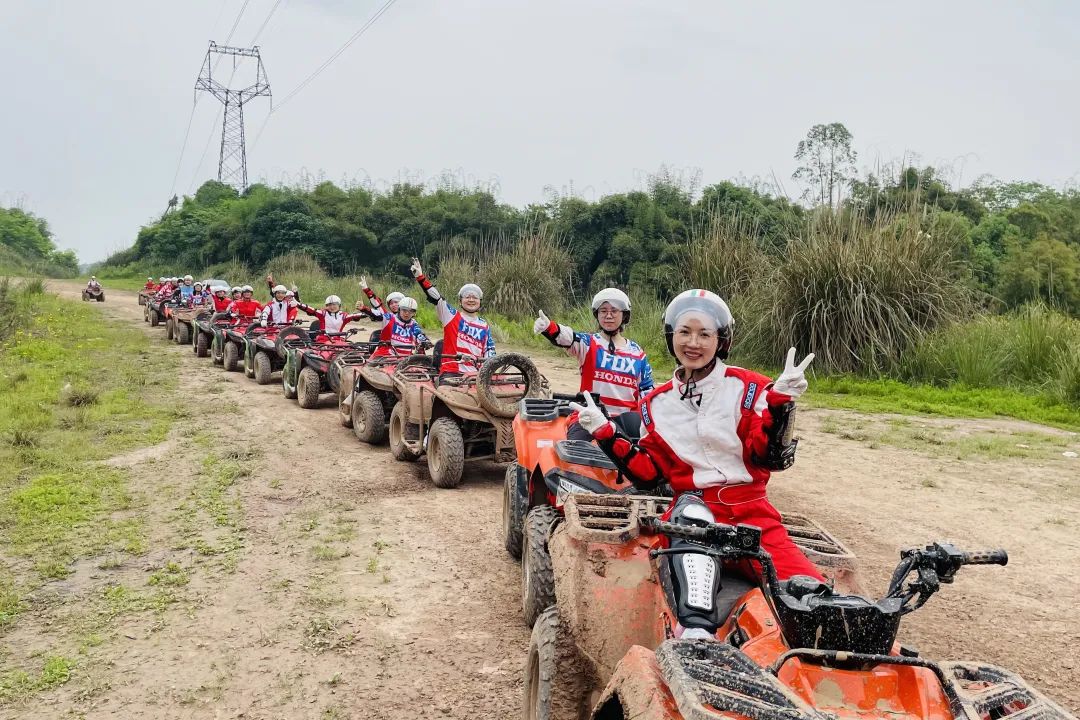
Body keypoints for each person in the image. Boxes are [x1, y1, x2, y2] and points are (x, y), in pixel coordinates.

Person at [569, 289, 823, 587]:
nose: (693, 343)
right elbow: (649, 475)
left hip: (754, 519)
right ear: (671, 336)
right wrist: (606, 432)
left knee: (810, 595)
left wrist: (780, 405)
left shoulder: (749, 388)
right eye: (684, 332)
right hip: (690, 519)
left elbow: (769, 457)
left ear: (721, 340)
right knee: (692, 605)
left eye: (704, 334)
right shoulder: (655, 405)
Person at [533, 288, 653, 440]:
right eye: (603, 311)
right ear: (597, 314)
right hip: (589, 415)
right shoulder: (588, 343)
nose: (608, 315)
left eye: (614, 311)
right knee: (575, 450)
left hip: (626, 420)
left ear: (624, 315)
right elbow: (569, 337)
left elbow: (647, 392)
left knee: (645, 449)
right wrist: (549, 327)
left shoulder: (638, 353)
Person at [409, 258, 494, 374]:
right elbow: (437, 298)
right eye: (467, 297)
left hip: (476, 375)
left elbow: (490, 351)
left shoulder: (484, 325)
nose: (471, 300)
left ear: (480, 301)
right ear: (460, 301)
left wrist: (487, 373)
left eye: (475, 297)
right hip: (451, 372)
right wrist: (420, 277)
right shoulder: (450, 315)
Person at [360, 277, 431, 356]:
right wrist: (365, 308)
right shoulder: (388, 317)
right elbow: (377, 310)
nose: (407, 313)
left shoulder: (413, 323)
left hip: (406, 357)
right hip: (387, 354)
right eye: (391, 303)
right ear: (400, 308)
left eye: (410, 311)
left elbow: (419, 334)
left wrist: (425, 341)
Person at [296, 292, 370, 339]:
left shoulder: (344, 316)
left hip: (338, 341)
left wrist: (365, 309)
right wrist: (298, 304)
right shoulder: (323, 314)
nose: (332, 307)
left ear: (339, 305)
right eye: (329, 305)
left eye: (334, 304)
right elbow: (310, 309)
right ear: (326, 306)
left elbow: (356, 315)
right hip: (323, 341)